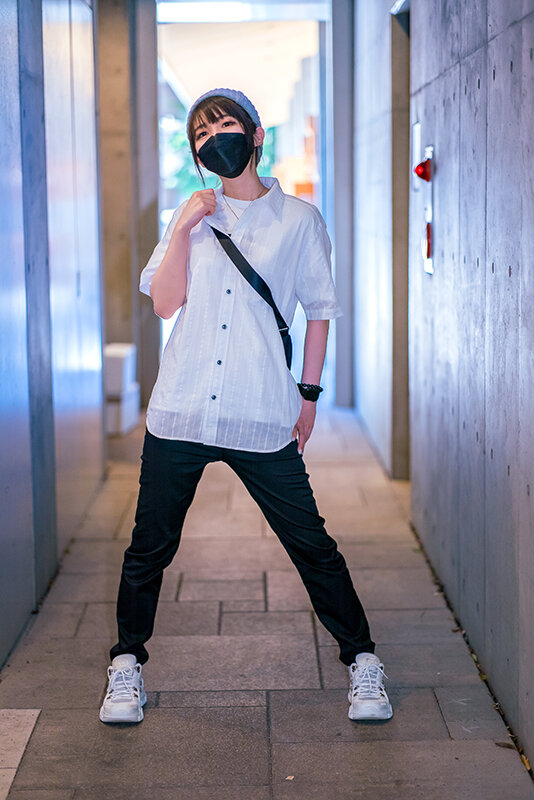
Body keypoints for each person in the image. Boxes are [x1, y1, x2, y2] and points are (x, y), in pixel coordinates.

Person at [99, 88, 393, 725]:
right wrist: (184, 227)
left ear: (256, 135)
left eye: (224, 125)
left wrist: (308, 397)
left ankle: (363, 660)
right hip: (181, 410)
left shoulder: (300, 221)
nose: (214, 140)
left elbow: (319, 312)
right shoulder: (191, 218)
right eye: (201, 135)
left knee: (310, 543)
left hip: (260, 411)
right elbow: (165, 303)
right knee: (149, 546)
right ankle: (126, 665)